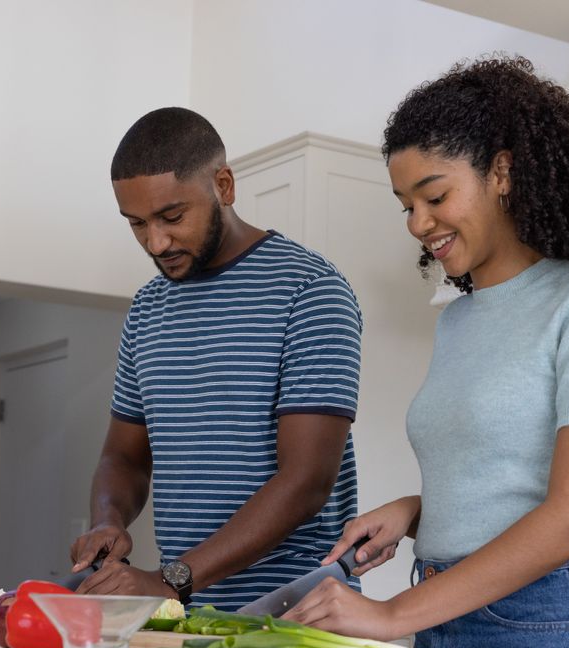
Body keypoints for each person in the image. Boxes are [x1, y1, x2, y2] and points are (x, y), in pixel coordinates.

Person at [284, 56, 569, 648]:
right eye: (405, 204)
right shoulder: (459, 319)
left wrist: (392, 613)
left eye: (434, 196)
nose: (418, 223)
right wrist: (414, 512)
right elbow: (504, 477)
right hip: (445, 609)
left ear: (502, 172)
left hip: (550, 619)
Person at [70, 107, 363, 611]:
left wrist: (171, 579)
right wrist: (108, 519)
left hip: (300, 616)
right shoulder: (147, 309)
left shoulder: (309, 290)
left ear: (223, 185)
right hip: (187, 614)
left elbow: (307, 482)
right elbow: (123, 456)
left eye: (172, 216)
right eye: (137, 223)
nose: (155, 242)